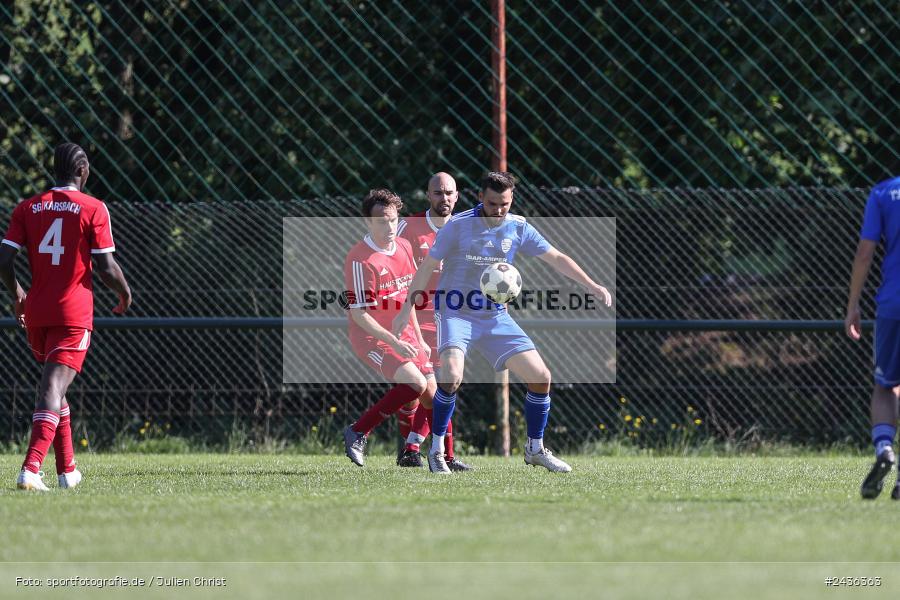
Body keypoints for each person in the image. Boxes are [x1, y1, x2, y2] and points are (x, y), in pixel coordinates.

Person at [392, 172, 612, 473]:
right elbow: (428, 266)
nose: (498, 210)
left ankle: (535, 449)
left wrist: (591, 284)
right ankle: (438, 450)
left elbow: (556, 257)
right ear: (480, 197)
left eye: (504, 204)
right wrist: (407, 309)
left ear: (512, 201)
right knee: (452, 375)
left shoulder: (518, 226)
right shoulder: (457, 226)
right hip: (456, 313)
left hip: (495, 316)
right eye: (492, 203)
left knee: (540, 376)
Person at [0, 143, 132, 491]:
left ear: (53, 171)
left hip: (37, 315)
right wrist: (124, 292)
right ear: (83, 171)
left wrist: (16, 294)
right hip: (72, 313)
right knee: (53, 387)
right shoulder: (93, 208)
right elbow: (105, 267)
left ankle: (67, 470)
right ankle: (30, 470)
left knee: (55, 390)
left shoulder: (29, 207)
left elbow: (3, 259)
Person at [342, 188, 434, 467]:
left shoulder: (404, 247)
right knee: (415, 383)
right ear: (368, 223)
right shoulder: (360, 259)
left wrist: (419, 340)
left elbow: (408, 299)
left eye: (393, 219)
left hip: (404, 335)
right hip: (372, 339)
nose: (389, 226)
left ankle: (443, 456)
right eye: (381, 221)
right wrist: (393, 342)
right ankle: (358, 431)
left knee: (434, 394)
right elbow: (359, 315)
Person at [395, 172, 472, 471]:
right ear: (428, 195)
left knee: (445, 387)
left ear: (457, 195)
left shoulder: (468, 228)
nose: (444, 198)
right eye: (438, 193)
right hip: (416, 318)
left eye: (449, 193)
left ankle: (420, 449)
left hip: (453, 317)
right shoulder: (409, 227)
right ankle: (422, 450)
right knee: (425, 389)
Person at [845, 174, 900, 499]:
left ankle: (884, 449)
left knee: (885, 385)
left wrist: (853, 304)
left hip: (892, 305)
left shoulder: (884, 193)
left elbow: (865, 252)